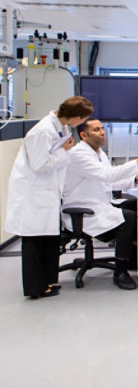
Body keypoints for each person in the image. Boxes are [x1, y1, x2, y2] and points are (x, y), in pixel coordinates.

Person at [5, 96, 94, 299]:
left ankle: (48, 281)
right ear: (77, 117)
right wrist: (65, 151)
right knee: (35, 243)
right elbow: (40, 164)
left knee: (49, 240)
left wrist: (63, 151)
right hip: (34, 194)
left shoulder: (60, 126)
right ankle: (36, 287)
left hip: (47, 193)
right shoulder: (43, 130)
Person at [61, 118, 138, 290]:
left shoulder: (99, 153)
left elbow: (109, 183)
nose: (102, 132)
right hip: (84, 212)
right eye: (96, 129)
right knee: (128, 219)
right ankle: (120, 272)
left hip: (100, 204)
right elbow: (108, 176)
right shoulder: (78, 155)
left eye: (102, 128)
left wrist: (136, 178)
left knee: (136, 205)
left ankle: (132, 259)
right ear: (84, 135)